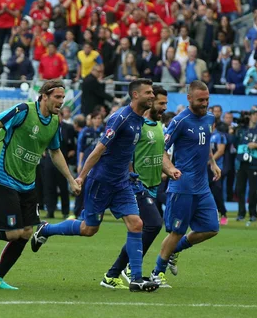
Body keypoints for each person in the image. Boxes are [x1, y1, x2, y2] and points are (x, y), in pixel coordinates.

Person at [30, 79, 160, 293]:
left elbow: (125, 151)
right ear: (135, 95)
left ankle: (136, 279)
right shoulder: (121, 118)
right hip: (101, 182)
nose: (152, 96)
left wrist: (130, 174)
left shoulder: (139, 120)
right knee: (89, 229)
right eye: (148, 92)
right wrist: (80, 177)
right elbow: (99, 150)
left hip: (122, 184)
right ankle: (47, 229)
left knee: (136, 224)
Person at [0, 80, 80, 289]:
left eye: (62, 98)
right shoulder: (23, 110)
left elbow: (55, 151)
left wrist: (70, 179)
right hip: (6, 179)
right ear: (44, 97)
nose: (61, 101)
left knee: (26, 232)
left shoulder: (55, 121)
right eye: (57, 97)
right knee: (13, 233)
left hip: (28, 184)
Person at [100, 86, 179, 290]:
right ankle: (128, 270)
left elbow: (161, 154)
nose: (163, 107)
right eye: (161, 103)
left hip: (153, 185)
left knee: (140, 227)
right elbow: (124, 152)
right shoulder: (137, 125)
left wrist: (170, 170)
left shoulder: (158, 127)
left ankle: (113, 274)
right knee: (152, 224)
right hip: (136, 185)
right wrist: (130, 176)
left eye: (165, 104)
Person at [151, 80, 222, 281]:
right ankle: (157, 273)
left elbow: (205, 142)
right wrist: (171, 168)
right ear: (189, 98)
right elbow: (161, 149)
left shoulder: (209, 118)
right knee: (177, 231)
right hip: (182, 185)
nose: (205, 103)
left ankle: (175, 250)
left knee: (211, 228)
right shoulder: (179, 121)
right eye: (200, 100)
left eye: (207, 99)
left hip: (202, 186)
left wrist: (213, 163)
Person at [234, 107, 257, 222]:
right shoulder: (242, 129)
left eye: (256, 115)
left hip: (254, 163)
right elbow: (235, 143)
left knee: (253, 190)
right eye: (253, 114)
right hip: (242, 163)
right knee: (240, 189)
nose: (255, 116)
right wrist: (234, 133)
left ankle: (253, 213)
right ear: (250, 116)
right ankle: (241, 213)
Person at [210, 122, 228, 225]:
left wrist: (210, 161)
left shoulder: (219, 136)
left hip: (216, 169)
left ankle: (224, 214)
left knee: (217, 193)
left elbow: (220, 151)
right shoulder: (204, 134)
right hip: (204, 170)